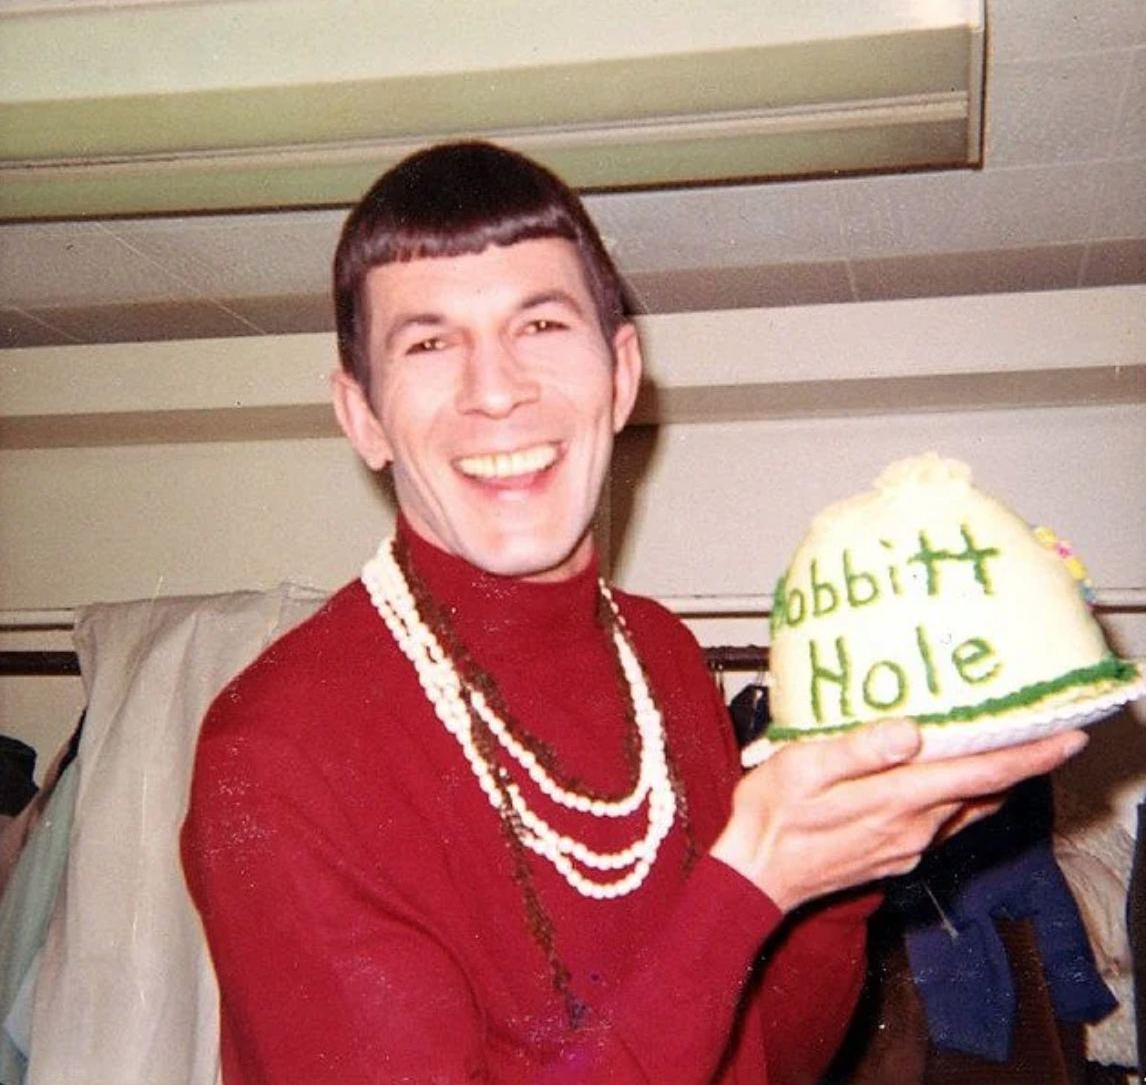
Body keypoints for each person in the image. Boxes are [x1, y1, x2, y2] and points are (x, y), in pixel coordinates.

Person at [179, 140, 1088, 1085]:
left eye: (540, 325)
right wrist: (751, 883)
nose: (496, 391)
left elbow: (766, 1059)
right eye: (430, 342)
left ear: (620, 373)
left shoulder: (661, 657)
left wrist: (840, 871)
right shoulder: (277, 746)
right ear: (362, 415)